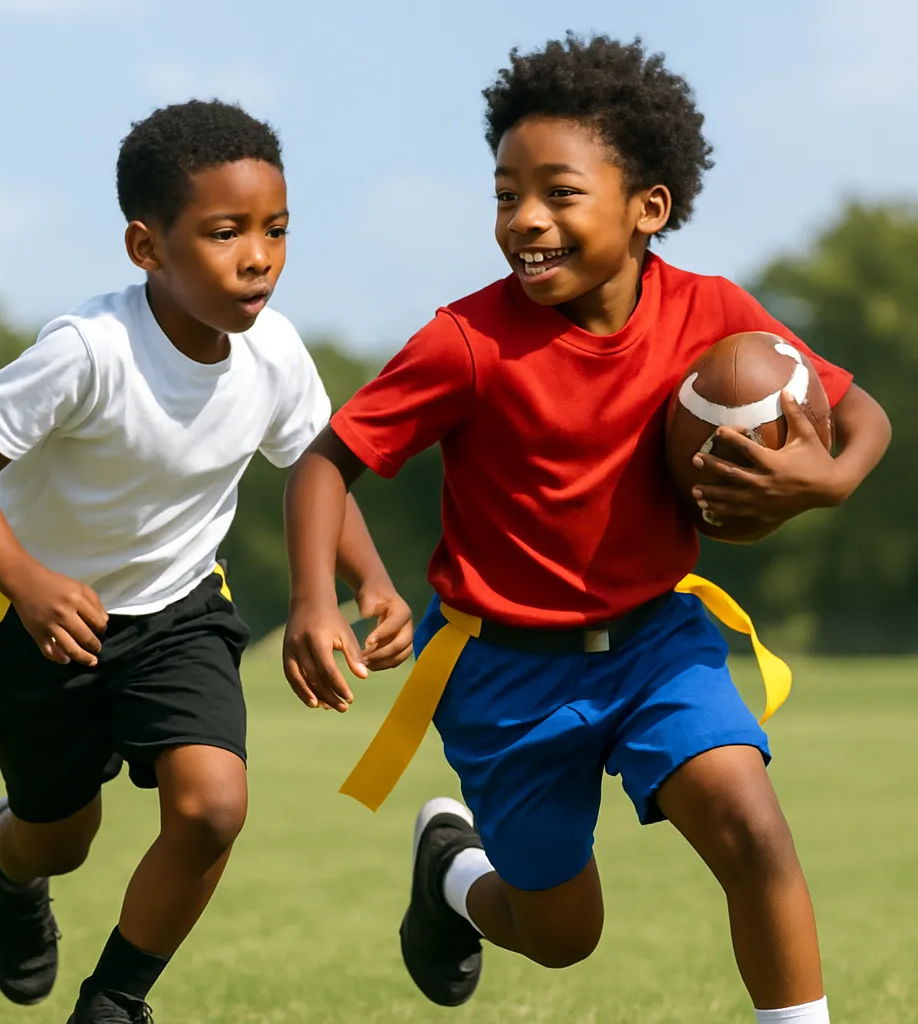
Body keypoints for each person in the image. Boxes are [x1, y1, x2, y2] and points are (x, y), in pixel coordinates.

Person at [281, 34, 891, 1024]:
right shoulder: (467, 342)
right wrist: (319, 597)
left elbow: (863, 416)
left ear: (647, 207)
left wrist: (822, 479)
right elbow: (326, 460)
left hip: (656, 642)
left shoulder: (715, 315)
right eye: (504, 193)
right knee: (561, 935)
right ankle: (450, 868)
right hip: (501, 671)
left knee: (752, 828)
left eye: (558, 193)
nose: (524, 219)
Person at [0, 99, 411, 1024]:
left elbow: (319, 466)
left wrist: (367, 580)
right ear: (146, 247)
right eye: (225, 232)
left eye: (276, 230)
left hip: (180, 610)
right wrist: (24, 582)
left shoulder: (276, 351)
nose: (258, 255)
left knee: (212, 805)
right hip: (40, 621)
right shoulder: (86, 351)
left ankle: (113, 1003)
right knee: (59, 838)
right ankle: (10, 865)